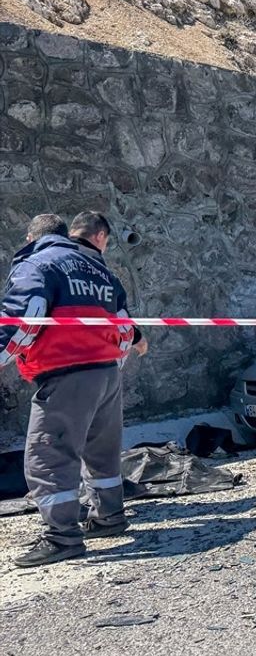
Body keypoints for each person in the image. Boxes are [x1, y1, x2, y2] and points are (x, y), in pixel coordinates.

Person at [1, 211, 141, 567]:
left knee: (48, 456)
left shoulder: (38, 264)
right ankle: (109, 517)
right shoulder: (100, 270)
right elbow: (125, 328)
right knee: (102, 453)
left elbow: (24, 318)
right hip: (107, 373)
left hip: (65, 371)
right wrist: (111, 364)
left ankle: (62, 538)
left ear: (32, 238)